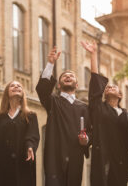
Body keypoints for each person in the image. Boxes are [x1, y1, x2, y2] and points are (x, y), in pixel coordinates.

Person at [81, 41, 128, 186]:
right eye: (107, 87)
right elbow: (95, 83)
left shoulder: (127, 115)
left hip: (121, 162)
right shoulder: (99, 108)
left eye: (114, 87)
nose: (109, 88)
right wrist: (93, 54)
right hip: (103, 159)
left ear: (120, 95)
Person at [35, 46, 91, 186]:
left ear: (77, 85)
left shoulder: (84, 108)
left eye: (71, 76)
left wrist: (87, 140)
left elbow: (91, 131)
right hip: (55, 155)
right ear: (59, 85)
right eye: (64, 76)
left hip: (75, 156)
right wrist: (50, 63)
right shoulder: (53, 101)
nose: (67, 76)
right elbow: (42, 89)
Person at [0, 80, 40, 186]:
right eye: (12, 86)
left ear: (23, 93)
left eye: (19, 86)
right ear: (6, 93)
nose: (16, 87)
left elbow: (32, 135)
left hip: (23, 164)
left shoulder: (30, 116)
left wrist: (30, 147)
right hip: (3, 166)